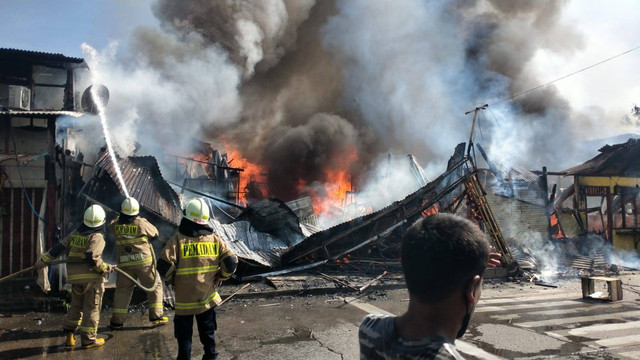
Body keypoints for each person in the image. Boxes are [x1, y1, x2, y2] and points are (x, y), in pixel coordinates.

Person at [359, 213, 501, 360]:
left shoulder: (370, 328)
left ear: (405, 266)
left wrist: (471, 260)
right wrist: (471, 262)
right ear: (471, 289)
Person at [157, 198, 238, 360]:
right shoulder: (215, 240)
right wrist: (222, 276)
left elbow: (163, 266)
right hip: (206, 299)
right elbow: (231, 261)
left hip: (184, 301)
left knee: (184, 337)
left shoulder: (178, 240)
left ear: (186, 217)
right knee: (208, 333)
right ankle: (211, 356)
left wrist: (171, 280)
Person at [35, 204, 115, 348]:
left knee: (75, 308)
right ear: (102, 221)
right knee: (92, 309)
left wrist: (42, 261)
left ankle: (69, 337)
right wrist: (106, 268)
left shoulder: (76, 233)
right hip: (92, 281)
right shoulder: (97, 236)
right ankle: (89, 340)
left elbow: (59, 248)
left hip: (75, 279)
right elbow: (92, 258)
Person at [108, 197, 168, 329]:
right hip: (144, 264)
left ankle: (117, 321)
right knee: (155, 286)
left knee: (122, 291)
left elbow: (111, 226)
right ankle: (156, 316)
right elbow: (155, 233)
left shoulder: (115, 225)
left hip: (124, 266)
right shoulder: (141, 223)